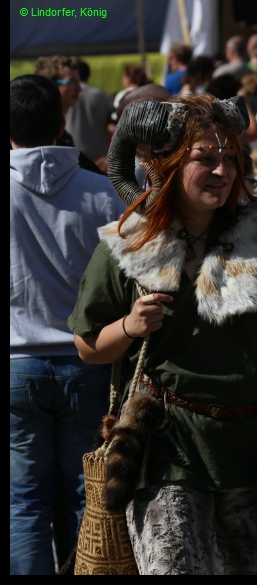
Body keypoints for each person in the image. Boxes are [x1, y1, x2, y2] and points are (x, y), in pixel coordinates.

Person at [67, 93, 257, 576]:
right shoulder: (132, 242)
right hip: (166, 449)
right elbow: (87, 347)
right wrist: (128, 326)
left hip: (256, 451)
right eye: (204, 158)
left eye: (230, 157)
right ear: (165, 164)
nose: (221, 170)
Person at [10, 74, 126, 575]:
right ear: (62, 123)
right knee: (88, 495)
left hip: (17, 362)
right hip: (89, 360)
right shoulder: (103, 192)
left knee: (24, 500)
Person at [34, 54, 104, 175]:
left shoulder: (62, 136)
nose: (79, 89)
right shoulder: (41, 135)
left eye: (79, 82)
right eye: (72, 82)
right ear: (50, 85)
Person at [65, 59, 115, 173]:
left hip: (71, 153)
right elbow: (111, 124)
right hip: (99, 157)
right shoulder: (101, 95)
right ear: (88, 75)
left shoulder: (65, 94)